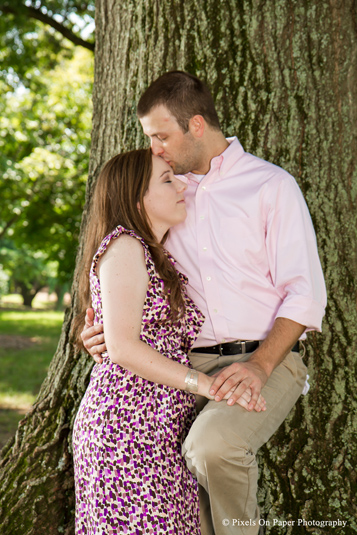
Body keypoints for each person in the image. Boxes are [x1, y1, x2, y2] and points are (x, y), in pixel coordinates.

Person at [81, 71, 327, 535]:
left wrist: (258, 367)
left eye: (161, 136)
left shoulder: (270, 186)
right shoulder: (164, 194)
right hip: (178, 368)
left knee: (213, 447)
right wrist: (97, 328)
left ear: (196, 125)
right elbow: (124, 273)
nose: (155, 149)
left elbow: (305, 294)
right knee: (169, 493)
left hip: (265, 358)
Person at [71, 149, 262, 533]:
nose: (181, 186)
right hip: (124, 434)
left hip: (160, 431)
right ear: (136, 197)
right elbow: (123, 348)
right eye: (166, 180)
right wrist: (206, 385)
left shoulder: (157, 253)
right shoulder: (125, 247)